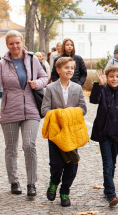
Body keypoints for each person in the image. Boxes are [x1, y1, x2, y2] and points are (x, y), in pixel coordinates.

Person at [0, 30, 48, 196]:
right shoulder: (1, 64)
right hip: (9, 110)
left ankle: (31, 183)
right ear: (7, 45)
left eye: (17, 42)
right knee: (11, 148)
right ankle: (14, 181)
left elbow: (45, 77)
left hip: (31, 109)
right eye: (11, 43)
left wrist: (37, 82)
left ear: (22, 43)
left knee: (29, 145)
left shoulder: (32, 59)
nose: (15, 46)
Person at [41, 57, 87, 207]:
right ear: (58, 69)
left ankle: (65, 191)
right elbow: (44, 110)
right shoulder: (50, 88)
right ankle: (54, 182)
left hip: (72, 133)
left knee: (72, 164)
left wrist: (70, 114)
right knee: (56, 164)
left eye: (72, 68)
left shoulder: (77, 88)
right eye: (66, 67)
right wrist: (59, 115)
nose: (70, 70)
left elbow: (83, 109)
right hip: (56, 133)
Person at [90, 65, 118, 207]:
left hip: (117, 135)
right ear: (107, 78)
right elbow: (93, 100)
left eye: (117, 76)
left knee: (112, 163)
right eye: (111, 76)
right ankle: (111, 194)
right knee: (107, 164)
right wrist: (99, 85)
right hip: (103, 134)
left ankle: (107, 186)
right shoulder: (102, 91)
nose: (114, 79)